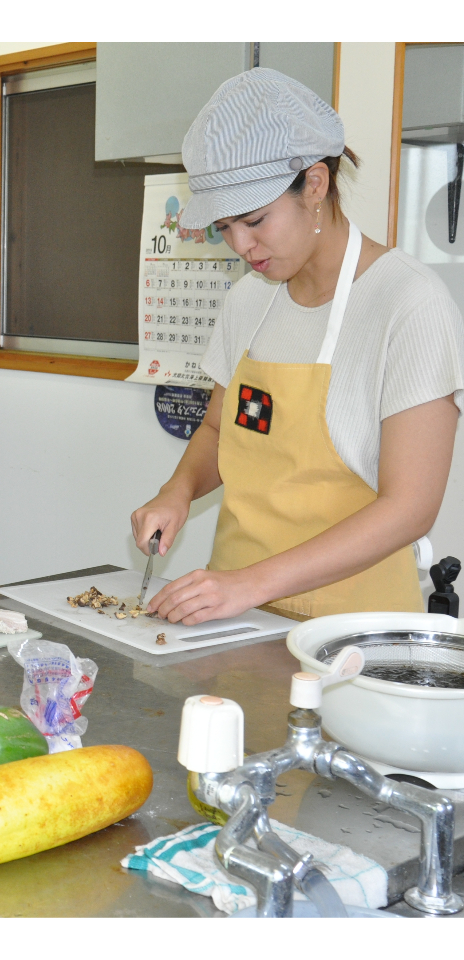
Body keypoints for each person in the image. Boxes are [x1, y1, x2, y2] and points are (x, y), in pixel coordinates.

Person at [132, 68, 464, 625]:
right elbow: (218, 429)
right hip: (234, 615)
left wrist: (248, 585)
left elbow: (411, 508)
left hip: (352, 631)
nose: (241, 245)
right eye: (225, 226)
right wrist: (178, 490)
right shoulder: (247, 301)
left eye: (255, 220)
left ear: (315, 184)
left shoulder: (408, 303)